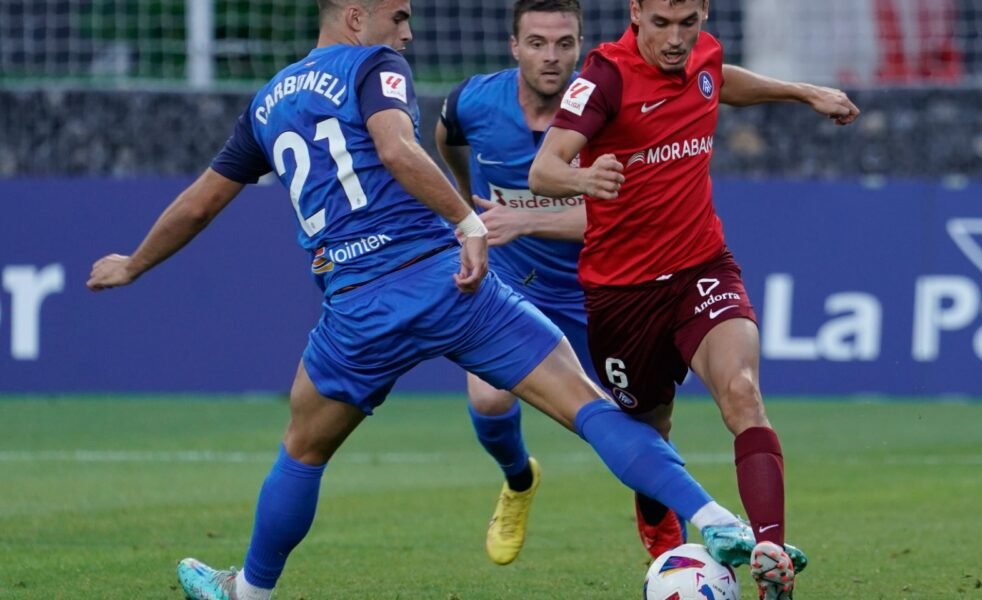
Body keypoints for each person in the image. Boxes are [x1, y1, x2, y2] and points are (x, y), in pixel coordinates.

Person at [88, 1, 770, 598]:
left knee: (302, 450)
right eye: (400, 16)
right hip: (445, 281)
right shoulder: (372, 65)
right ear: (356, 16)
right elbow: (398, 148)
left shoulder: (267, 102)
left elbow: (204, 200)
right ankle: (712, 516)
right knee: (588, 409)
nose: (408, 34)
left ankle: (249, 591)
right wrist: (469, 222)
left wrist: (134, 264)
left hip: (355, 306)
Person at [529, 0, 860, 598]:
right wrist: (583, 178)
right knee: (647, 428)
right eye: (661, 24)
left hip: (700, 267)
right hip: (620, 292)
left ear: (704, 13)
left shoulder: (702, 55)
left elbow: (720, 81)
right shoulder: (605, 76)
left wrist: (802, 92)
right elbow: (543, 169)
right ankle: (669, 555)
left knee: (742, 392)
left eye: (689, 22)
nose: (677, 39)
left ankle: (771, 560)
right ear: (636, 11)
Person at [435, 0, 687, 566]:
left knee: (647, 420)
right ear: (514, 46)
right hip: (510, 286)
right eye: (538, 42)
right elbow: (445, 136)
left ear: (581, 46)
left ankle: (658, 520)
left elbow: (625, 213)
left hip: (602, 289)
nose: (552, 57)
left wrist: (522, 218)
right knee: (489, 394)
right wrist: (462, 201)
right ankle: (519, 480)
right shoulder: (472, 102)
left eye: (564, 44)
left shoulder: (611, 111)